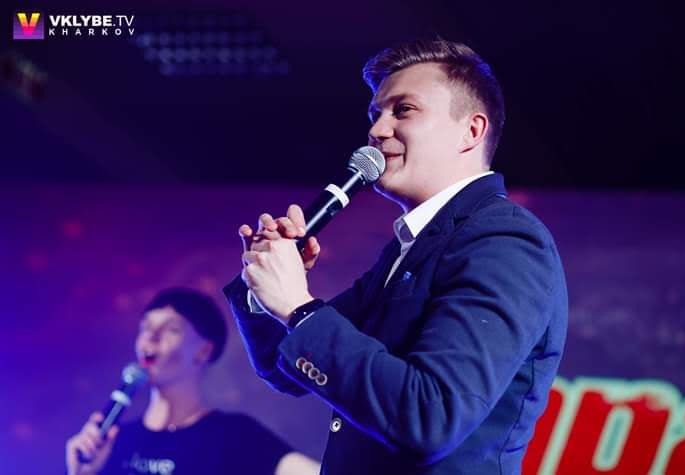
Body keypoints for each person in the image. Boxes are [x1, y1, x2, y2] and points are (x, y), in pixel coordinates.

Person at [224, 39, 568, 474]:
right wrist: (265, 290)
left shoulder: (504, 240)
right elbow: (282, 367)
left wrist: (297, 305)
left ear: (471, 131)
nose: (378, 130)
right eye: (376, 115)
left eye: (403, 110)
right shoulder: (411, 248)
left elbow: (430, 417)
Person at [66, 287, 320, 475]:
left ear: (203, 351)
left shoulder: (233, 436)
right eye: (146, 327)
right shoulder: (113, 442)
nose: (151, 337)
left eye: (171, 329)